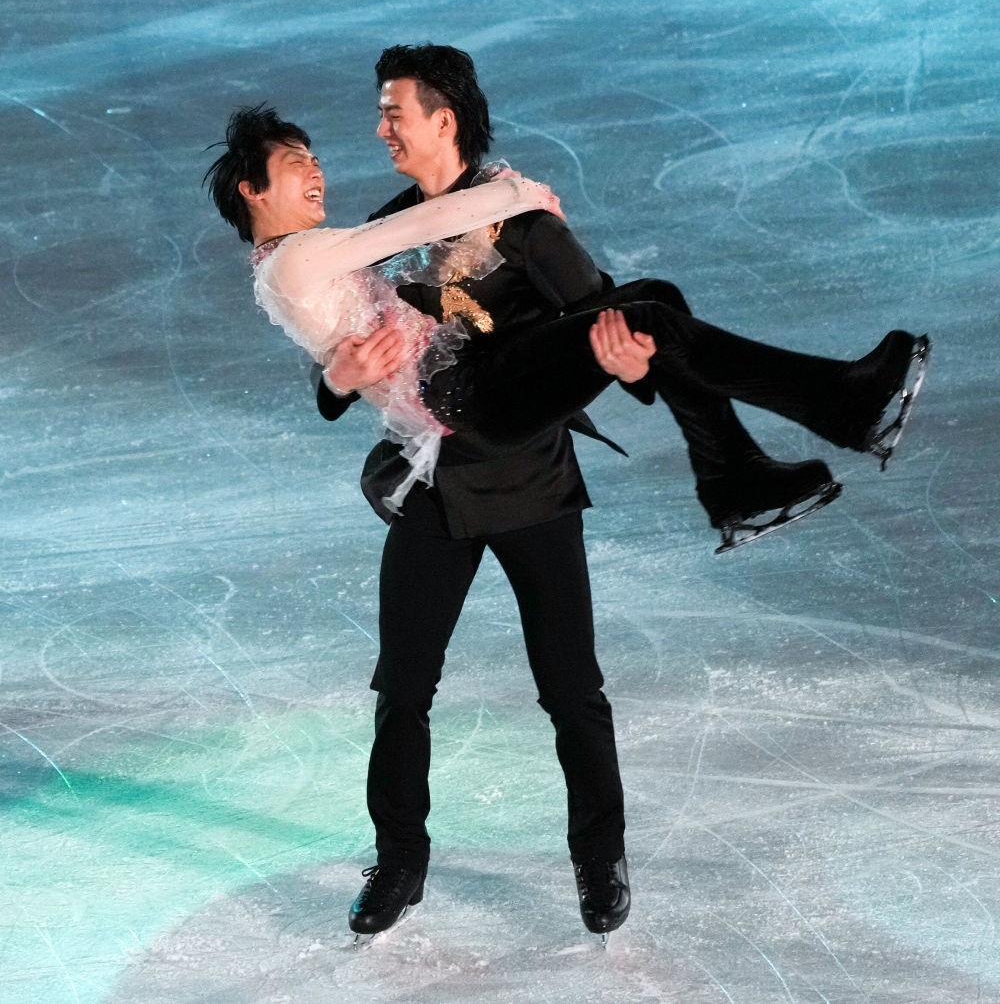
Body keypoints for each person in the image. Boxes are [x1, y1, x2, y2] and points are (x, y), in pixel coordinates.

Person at [205, 50, 928, 940]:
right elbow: (339, 324)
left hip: (529, 472)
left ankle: (600, 856)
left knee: (573, 686)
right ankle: (399, 862)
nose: (378, 131)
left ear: (444, 120)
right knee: (402, 687)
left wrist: (632, 368)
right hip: (438, 480)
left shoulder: (526, 226)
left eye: (394, 113)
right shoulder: (392, 226)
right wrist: (337, 380)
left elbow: (603, 320)